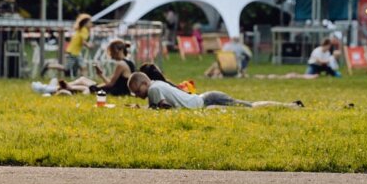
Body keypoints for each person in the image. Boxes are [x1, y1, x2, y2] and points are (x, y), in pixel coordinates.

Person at [128, 71, 303, 109]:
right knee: (248, 106)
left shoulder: (153, 89)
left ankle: (291, 106)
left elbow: (165, 108)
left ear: (143, 84)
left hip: (207, 101)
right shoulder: (157, 84)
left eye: (137, 92)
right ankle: (290, 105)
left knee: (250, 107)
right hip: (206, 98)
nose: (138, 96)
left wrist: (143, 111)